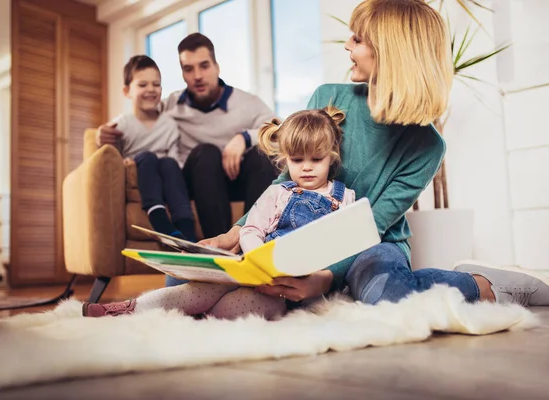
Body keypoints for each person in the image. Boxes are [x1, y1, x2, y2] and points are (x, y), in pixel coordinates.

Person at [202, 0, 549, 307]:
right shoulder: (328, 96)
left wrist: (325, 278)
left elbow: (371, 226)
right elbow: (285, 182)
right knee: (193, 279)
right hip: (297, 237)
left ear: (391, 51)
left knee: (388, 292)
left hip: (372, 243)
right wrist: (235, 233)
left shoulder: (428, 146)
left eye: (357, 39)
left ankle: (482, 285)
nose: (347, 45)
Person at [81, 106, 355, 319]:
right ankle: (130, 309)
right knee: (201, 289)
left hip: (297, 288)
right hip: (258, 272)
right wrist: (256, 255)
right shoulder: (279, 193)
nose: (306, 167)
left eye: (316, 159)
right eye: (297, 160)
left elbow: (345, 244)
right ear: (285, 160)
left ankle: (202, 319)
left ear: (331, 157)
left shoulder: (344, 198)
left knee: (241, 307)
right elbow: (251, 228)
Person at [163, 33, 278, 241]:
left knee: (262, 154)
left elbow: (281, 131)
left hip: (237, 181)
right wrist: (110, 130)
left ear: (217, 67)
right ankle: (220, 249)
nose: (197, 75)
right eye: (188, 69)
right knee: (206, 153)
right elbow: (140, 120)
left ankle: (253, 243)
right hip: (196, 181)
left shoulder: (248, 103)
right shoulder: (170, 104)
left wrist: (244, 138)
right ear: (182, 74)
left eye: (204, 66)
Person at [96, 55, 196, 242]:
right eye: (142, 85)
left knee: (169, 163)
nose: (151, 89)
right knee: (148, 157)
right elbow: (109, 154)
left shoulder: (169, 125)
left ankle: (185, 228)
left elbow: (175, 162)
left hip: (166, 177)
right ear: (127, 91)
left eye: (156, 84)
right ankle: (157, 214)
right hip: (140, 171)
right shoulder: (121, 124)